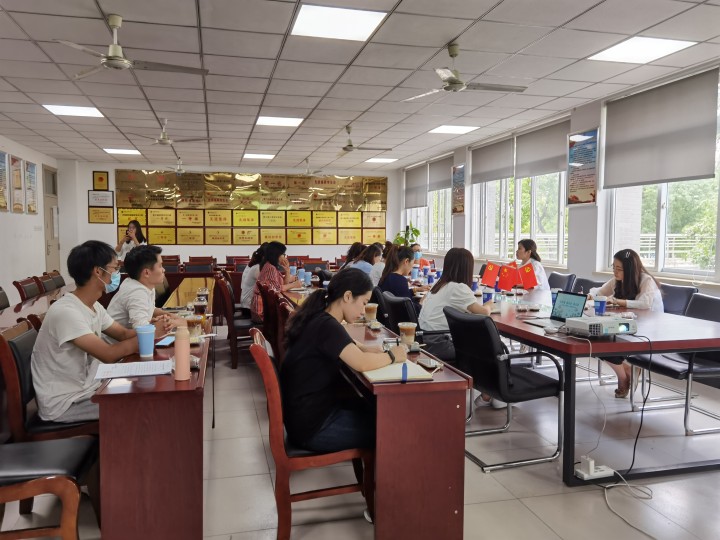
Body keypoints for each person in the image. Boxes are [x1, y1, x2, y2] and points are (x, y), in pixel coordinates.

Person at [281, 268, 407, 452]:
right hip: (314, 428)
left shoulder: (319, 316)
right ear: (348, 296)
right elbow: (361, 363)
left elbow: (344, 343)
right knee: (392, 427)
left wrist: (365, 348)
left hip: (305, 417)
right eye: (363, 303)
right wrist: (392, 355)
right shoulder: (327, 326)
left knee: (378, 411)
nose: (363, 311)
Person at [31, 241, 140, 422]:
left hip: (89, 386)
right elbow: (108, 354)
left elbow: (123, 334)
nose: (117, 274)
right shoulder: (66, 312)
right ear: (98, 271)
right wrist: (148, 337)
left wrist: (153, 328)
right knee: (141, 404)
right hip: (66, 402)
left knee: (141, 388)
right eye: (114, 268)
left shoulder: (93, 306)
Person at [589, 248, 664, 398]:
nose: (615, 272)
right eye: (614, 267)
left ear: (630, 269)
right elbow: (600, 292)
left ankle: (624, 377)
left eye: (619, 269)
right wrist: (590, 296)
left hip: (646, 328)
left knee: (604, 341)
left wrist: (617, 301)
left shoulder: (646, 280)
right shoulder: (617, 280)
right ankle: (625, 373)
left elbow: (644, 303)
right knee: (593, 338)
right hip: (625, 325)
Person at [418, 248, 496, 381]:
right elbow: (484, 313)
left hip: (424, 339)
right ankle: (485, 389)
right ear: (467, 268)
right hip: (440, 343)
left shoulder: (439, 283)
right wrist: (490, 304)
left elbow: (422, 301)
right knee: (488, 349)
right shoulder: (458, 287)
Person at [105, 245, 176, 342]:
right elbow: (142, 331)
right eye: (160, 266)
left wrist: (169, 316)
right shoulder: (136, 292)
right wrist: (156, 324)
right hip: (117, 347)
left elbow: (151, 309)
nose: (164, 270)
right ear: (146, 273)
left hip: (131, 343)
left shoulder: (144, 284)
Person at [251, 241, 299, 321]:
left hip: (264, 308)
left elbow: (284, 284)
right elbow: (277, 289)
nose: (285, 257)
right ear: (277, 254)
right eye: (283, 254)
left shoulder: (270, 265)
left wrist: (287, 270)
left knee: (296, 314)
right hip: (262, 312)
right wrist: (294, 284)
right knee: (299, 317)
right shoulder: (270, 268)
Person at [378, 245, 429, 313]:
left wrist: (416, 289)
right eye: (413, 262)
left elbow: (398, 295)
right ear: (406, 261)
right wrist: (422, 302)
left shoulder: (387, 275)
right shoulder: (400, 281)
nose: (412, 266)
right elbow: (412, 311)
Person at [240, 243, 268, 318]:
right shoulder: (257, 268)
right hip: (249, 308)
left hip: (248, 305)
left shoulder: (256, 266)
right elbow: (270, 285)